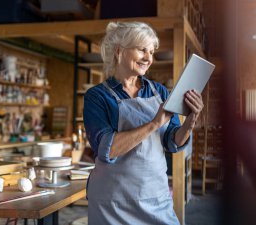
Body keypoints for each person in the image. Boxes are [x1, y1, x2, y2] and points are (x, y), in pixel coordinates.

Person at [83, 21, 203, 225]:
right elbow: (106, 149)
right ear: (119, 51)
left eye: (152, 52)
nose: (149, 58)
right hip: (113, 202)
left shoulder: (159, 91)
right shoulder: (98, 97)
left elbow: (172, 142)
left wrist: (190, 120)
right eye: (142, 50)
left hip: (154, 195)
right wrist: (154, 123)